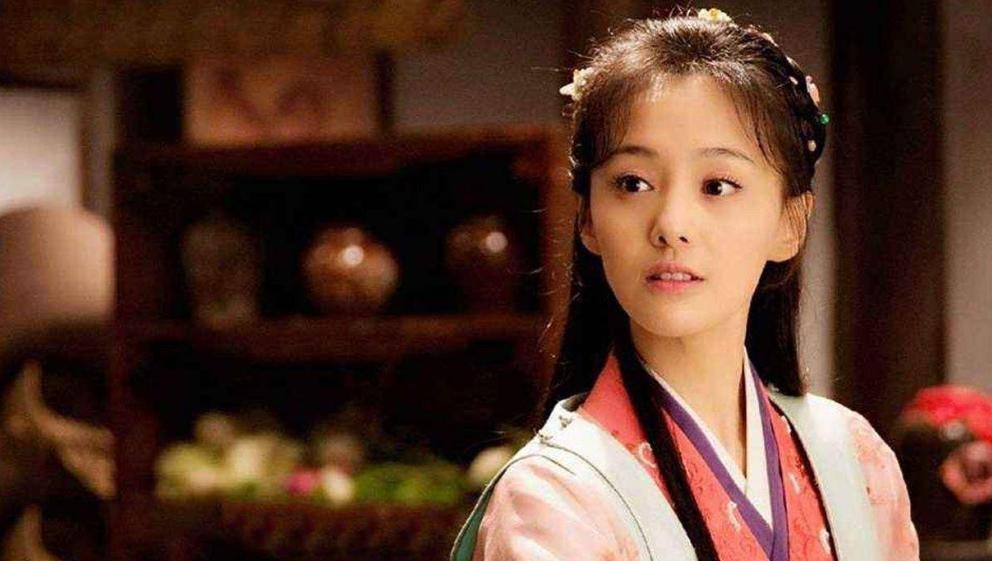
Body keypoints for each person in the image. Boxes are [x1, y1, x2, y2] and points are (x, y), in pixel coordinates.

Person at [450, 7, 920, 561]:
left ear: (790, 223)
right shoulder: (554, 500)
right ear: (589, 220)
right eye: (633, 183)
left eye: (717, 185)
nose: (671, 224)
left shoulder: (857, 463)